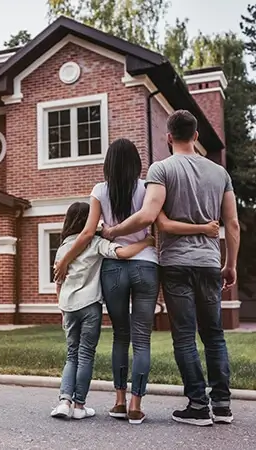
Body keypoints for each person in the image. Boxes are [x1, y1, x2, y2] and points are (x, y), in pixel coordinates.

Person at [54, 138, 218, 424]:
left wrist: (66, 260)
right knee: (142, 339)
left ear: (108, 164)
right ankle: (135, 406)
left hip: (114, 269)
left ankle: (117, 402)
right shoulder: (147, 187)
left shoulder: (99, 190)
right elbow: (159, 222)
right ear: (137, 164)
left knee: (120, 335)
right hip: (146, 266)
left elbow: (86, 233)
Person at [102, 110, 240, 427]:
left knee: (184, 338)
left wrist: (113, 231)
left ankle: (197, 406)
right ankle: (222, 405)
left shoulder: (161, 169)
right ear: (195, 136)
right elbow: (231, 222)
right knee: (214, 335)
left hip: (176, 264)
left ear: (168, 138)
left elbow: (149, 215)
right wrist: (229, 263)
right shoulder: (220, 173)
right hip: (208, 263)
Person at [51, 202, 155, 421]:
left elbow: (58, 282)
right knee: (86, 354)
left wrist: (61, 306)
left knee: (72, 355)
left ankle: (64, 401)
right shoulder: (97, 243)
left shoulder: (62, 248)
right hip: (90, 307)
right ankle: (79, 406)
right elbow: (124, 253)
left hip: (68, 308)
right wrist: (146, 241)